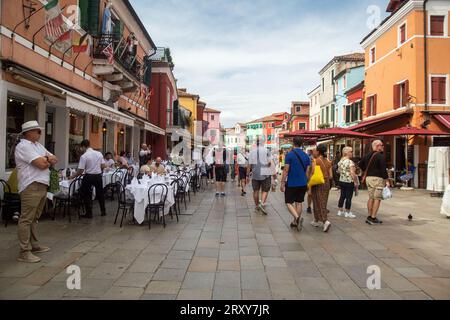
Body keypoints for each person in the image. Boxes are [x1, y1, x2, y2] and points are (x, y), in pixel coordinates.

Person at [15, 121, 58, 263]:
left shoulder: (38, 146)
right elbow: (41, 165)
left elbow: (55, 159)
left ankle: (34, 245)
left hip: (41, 185)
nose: (40, 133)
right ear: (28, 133)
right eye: (37, 131)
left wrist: (45, 159)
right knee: (26, 218)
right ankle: (24, 251)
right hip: (31, 185)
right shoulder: (23, 146)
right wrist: (46, 160)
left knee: (35, 218)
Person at [280, 137, 312, 231]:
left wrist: (282, 183)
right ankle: (295, 222)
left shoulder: (290, 155)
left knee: (288, 202)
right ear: (302, 144)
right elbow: (308, 171)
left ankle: (297, 218)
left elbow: (286, 170)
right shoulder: (306, 156)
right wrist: (306, 181)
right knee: (299, 202)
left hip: (292, 183)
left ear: (293, 143)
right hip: (303, 183)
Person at [71, 140, 106, 219]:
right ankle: (103, 211)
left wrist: (72, 176)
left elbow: (80, 171)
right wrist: (97, 168)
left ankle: (89, 213)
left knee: (87, 194)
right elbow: (103, 165)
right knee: (100, 193)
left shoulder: (84, 156)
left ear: (83, 147)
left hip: (89, 176)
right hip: (98, 176)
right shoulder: (99, 153)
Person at [359, 140, 390, 225]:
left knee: (371, 197)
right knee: (377, 198)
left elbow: (360, 164)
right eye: (382, 145)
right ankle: (373, 217)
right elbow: (384, 169)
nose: (383, 147)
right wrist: (387, 180)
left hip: (368, 178)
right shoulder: (380, 156)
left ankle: (369, 216)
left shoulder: (367, 155)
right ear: (377, 146)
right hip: (378, 179)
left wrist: (366, 170)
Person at [247, 136, 273, 215]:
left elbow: (249, 165)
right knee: (265, 190)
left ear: (256, 143)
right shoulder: (267, 151)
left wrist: (247, 175)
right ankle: (262, 203)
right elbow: (269, 162)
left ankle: (257, 206)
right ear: (263, 142)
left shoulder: (252, 152)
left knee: (256, 190)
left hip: (255, 174)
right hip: (265, 173)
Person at [310, 145, 333, 232]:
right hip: (326, 183)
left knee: (318, 201)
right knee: (323, 201)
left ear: (318, 152)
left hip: (318, 183)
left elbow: (312, 173)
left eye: (315, 151)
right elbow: (331, 176)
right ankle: (316, 220)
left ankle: (325, 221)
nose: (314, 152)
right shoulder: (328, 161)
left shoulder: (316, 161)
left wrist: (309, 183)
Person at [337, 147, 359, 219]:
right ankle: (347, 212)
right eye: (351, 151)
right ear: (347, 153)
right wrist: (355, 182)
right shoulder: (350, 162)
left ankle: (340, 211)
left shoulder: (340, 161)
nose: (352, 153)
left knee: (342, 196)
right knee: (349, 197)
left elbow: (339, 171)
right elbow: (352, 173)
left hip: (342, 180)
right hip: (349, 181)